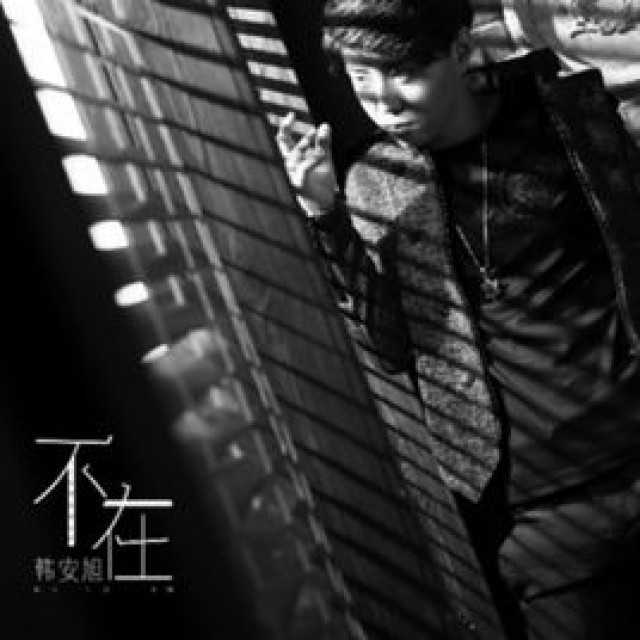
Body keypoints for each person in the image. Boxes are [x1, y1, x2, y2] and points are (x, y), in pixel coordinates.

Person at [276, 1, 640, 638]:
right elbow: (390, 347)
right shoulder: (375, 181)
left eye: (403, 72)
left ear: (460, 50)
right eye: (361, 79)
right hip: (538, 515)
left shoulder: (560, 118)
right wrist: (326, 216)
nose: (384, 101)